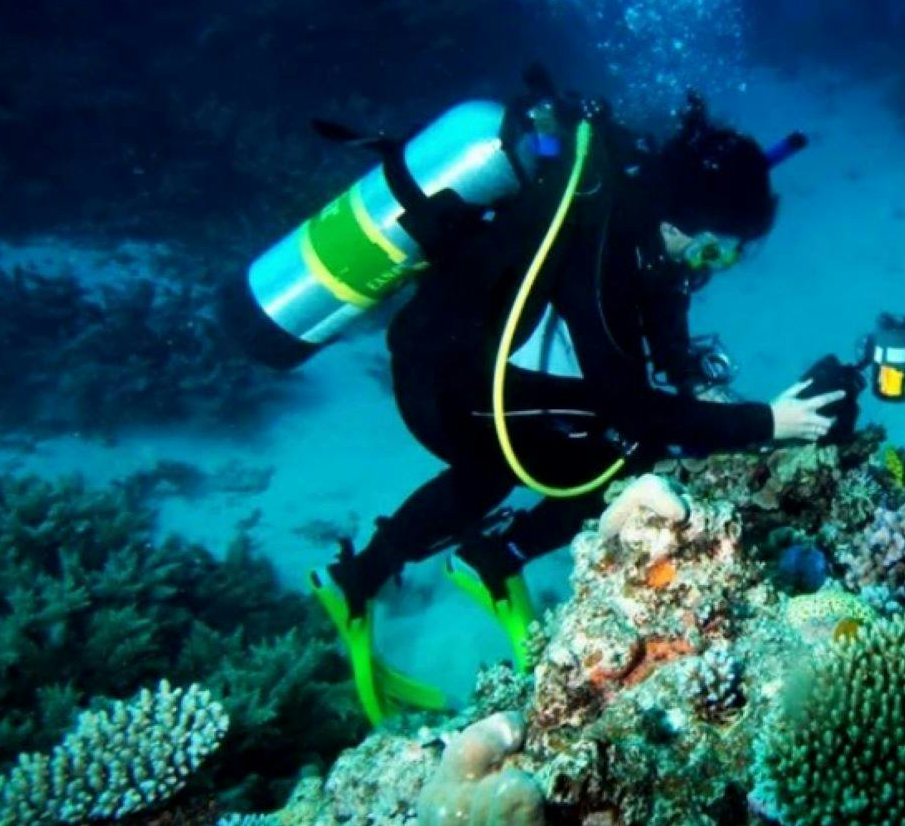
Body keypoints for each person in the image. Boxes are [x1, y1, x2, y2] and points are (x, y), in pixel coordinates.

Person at [321, 73, 845, 638]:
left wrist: (689, 377)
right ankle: (494, 560)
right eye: (714, 251)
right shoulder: (603, 258)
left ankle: (356, 579)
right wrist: (766, 421)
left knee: (491, 472)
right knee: (631, 453)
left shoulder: (640, 219)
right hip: (445, 390)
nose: (711, 266)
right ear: (677, 225)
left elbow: (666, 316)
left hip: (443, 360)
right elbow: (633, 409)